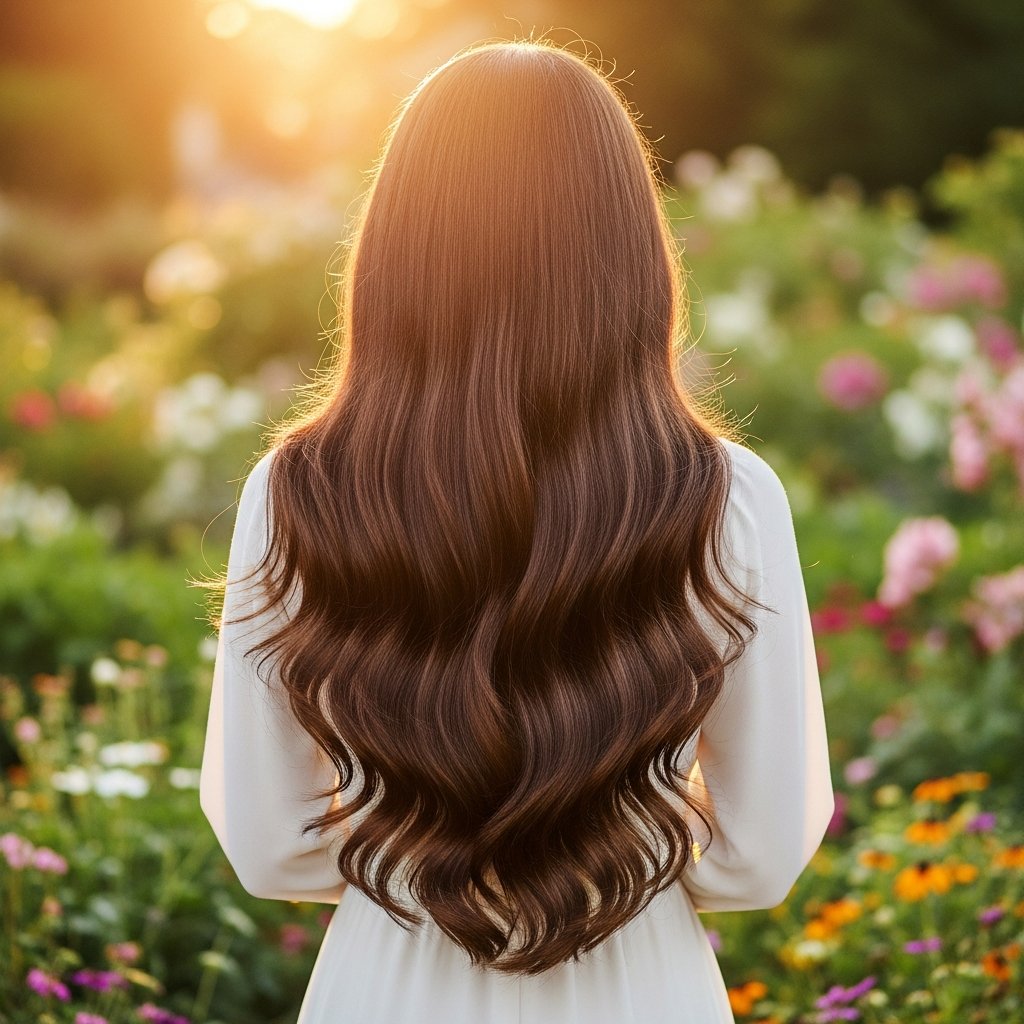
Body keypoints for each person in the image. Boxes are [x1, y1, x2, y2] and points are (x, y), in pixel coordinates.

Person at [199, 35, 835, 1024]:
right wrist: (602, 860)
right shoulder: (726, 494)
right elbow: (763, 850)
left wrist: (425, 865)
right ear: (625, 249)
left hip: (389, 983)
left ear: (399, 247)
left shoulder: (298, 488)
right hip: (642, 983)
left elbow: (263, 840)